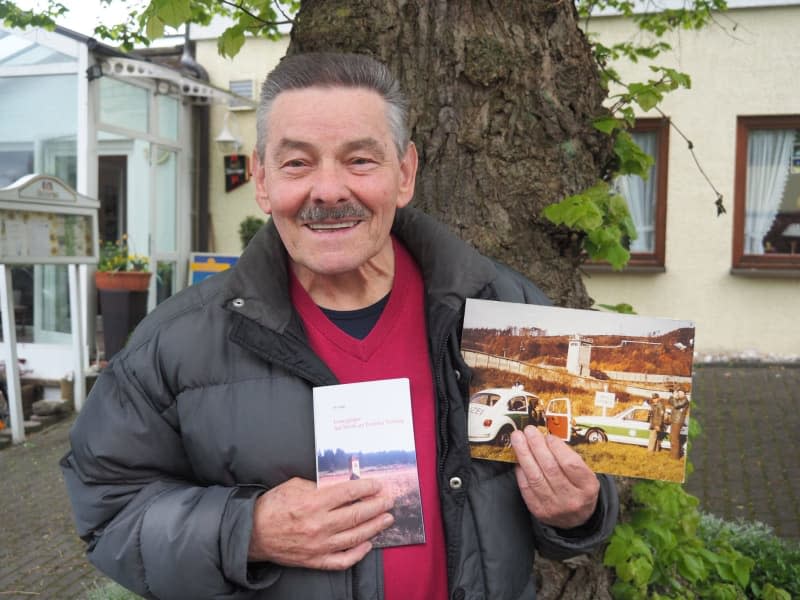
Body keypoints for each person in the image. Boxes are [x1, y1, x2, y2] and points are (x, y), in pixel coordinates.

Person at [61, 52, 618, 600]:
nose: (328, 191)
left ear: (405, 174)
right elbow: (110, 511)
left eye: (360, 161)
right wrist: (246, 530)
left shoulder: (506, 310)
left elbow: (591, 486)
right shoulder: (176, 343)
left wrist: (579, 510)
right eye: (297, 163)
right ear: (261, 179)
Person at [668, 389, 690, 460]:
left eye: (681, 393)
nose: (679, 394)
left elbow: (676, 405)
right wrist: (672, 396)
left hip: (678, 421)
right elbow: (670, 402)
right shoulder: (679, 400)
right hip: (675, 420)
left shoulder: (685, 400)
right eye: (678, 393)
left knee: (674, 439)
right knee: (672, 438)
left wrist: (674, 397)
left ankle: (674, 457)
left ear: (684, 394)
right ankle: (673, 454)